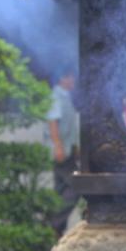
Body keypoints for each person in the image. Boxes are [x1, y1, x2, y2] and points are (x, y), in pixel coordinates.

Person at [44, 67, 80, 236]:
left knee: (60, 189)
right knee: (75, 187)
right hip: (61, 151)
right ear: (62, 79)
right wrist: (58, 146)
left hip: (67, 150)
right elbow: (53, 123)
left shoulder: (65, 97)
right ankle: (55, 223)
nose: (73, 82)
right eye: (70, 78)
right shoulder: (56, 97)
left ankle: (57, 229)